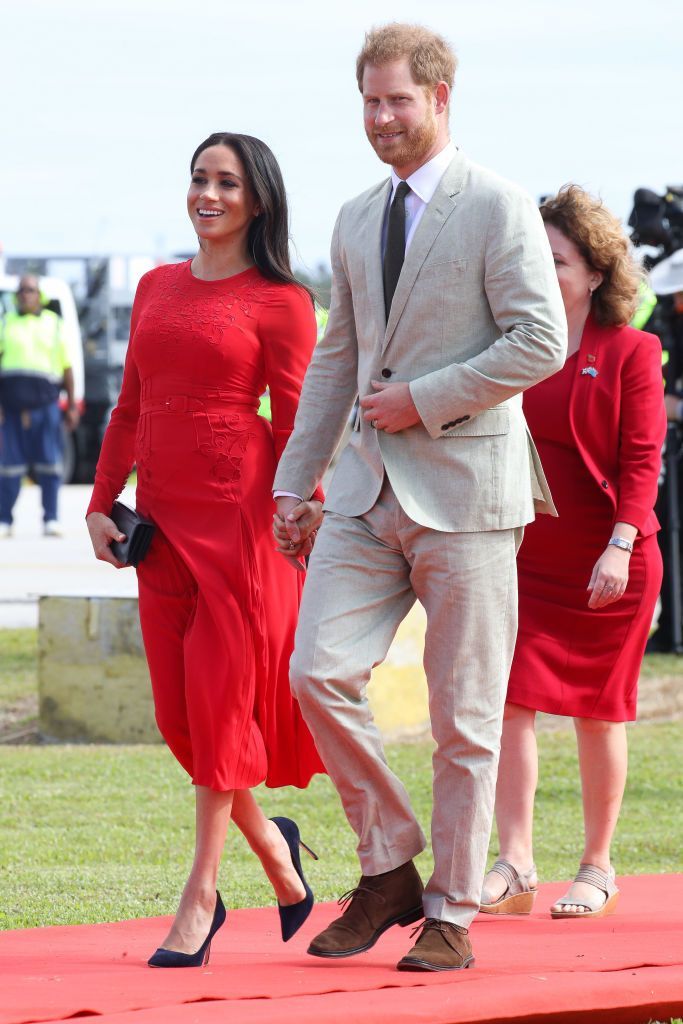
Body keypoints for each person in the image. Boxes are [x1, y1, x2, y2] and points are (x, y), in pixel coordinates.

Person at [271, 23, 567, 973]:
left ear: (443, 97)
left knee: (464, 719)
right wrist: (293, 480)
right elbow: (336, 357)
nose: (381, 118)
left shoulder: (498, 205)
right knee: (316, 671)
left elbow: (539, 341)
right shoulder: (356, 215)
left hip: (471, 491)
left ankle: (452, 913)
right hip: (363, 493)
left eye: (398, 100)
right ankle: (390, 863)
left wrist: (422, 401)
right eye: (369, 102)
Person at [86, 133, 325, 967]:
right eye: (199, 178)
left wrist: (306, 518)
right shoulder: (155, 286)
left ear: (257, 200)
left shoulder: (283, 301)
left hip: (241, 528)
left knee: (221, 712)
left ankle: (200, 901)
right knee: (182, 722)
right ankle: (277, 854)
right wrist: (97, 501)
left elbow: (299, 424)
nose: (208, 194)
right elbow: (127, 409)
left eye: (226, 182)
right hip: (160, 530)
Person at [480, 185, 667, 920]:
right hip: (522, 558)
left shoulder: (631, 350)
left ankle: (596, 866)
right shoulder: (507, 346)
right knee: (508, 704)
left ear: (593, 273)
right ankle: (515, 862)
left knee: (598, 713)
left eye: (554, 258)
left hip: (609, 559)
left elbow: (641, 463)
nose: (539, 268)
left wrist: (619, 546)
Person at [0, 275, 79, 537]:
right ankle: (4, 521)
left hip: (46, 407)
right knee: (9, 467)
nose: (25, 294)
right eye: (21, 290)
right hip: (11, 410)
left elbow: (67, 367)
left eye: (30, 290)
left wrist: (71, 406)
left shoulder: (54, 324)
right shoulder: (6, 322)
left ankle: (51, 520)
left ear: (39, 295)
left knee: (50, 466)